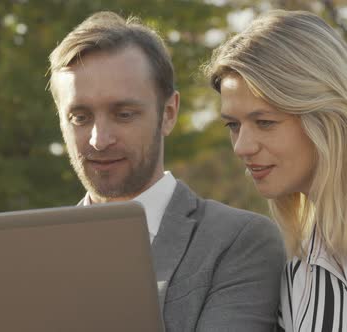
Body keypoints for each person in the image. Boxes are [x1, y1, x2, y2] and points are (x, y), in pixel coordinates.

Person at [48, 11, 286, 331]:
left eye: (123, 114)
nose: (99, 139)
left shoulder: (239, 242)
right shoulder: (35, 256)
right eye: (80, 117)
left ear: (169, 114)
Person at [205, 9, 347, 332]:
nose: (241, 146)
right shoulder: (299, 271)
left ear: (325, 117)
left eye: (265, 122)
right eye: (233, 125)